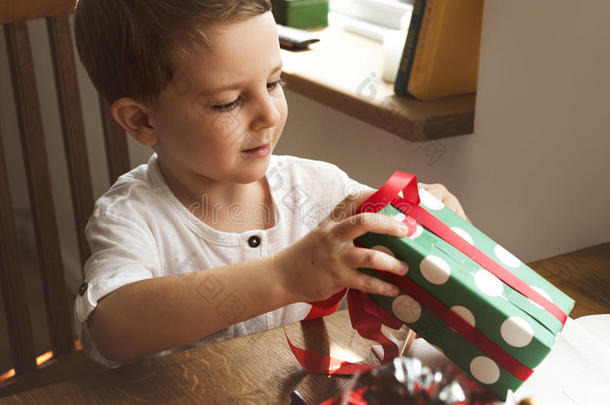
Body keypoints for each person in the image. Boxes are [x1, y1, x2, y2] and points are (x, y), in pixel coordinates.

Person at [73, 0, 468, 366]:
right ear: (143, 121)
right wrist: (283, 276)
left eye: (274, 83)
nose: (269, 114)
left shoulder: (319, 189)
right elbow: (111, 330)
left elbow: (384, 243)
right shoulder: (130, 217)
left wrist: (423, 224)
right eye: (228, 102)